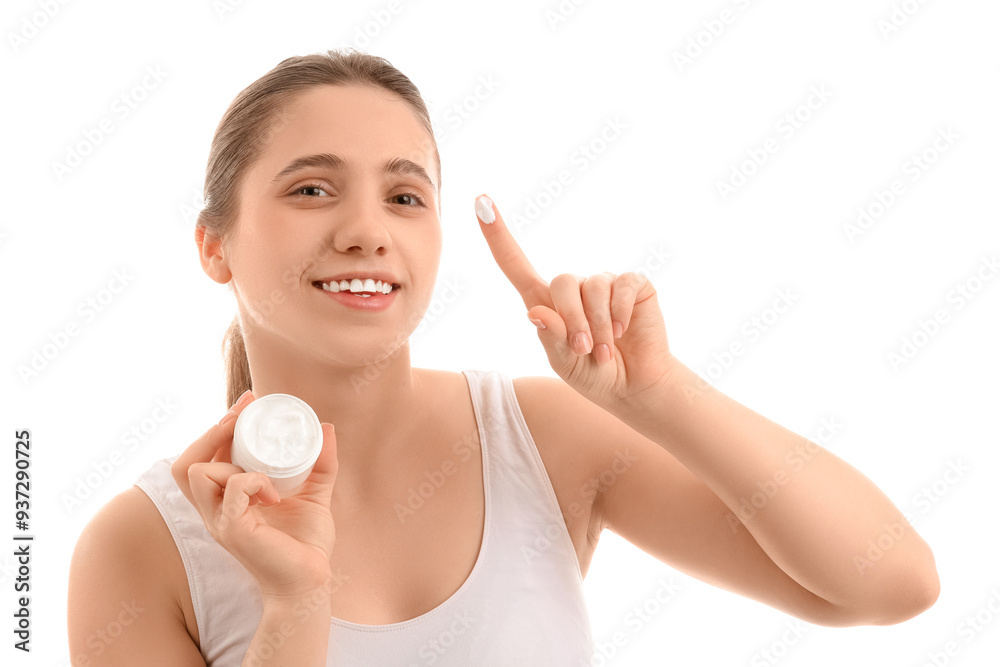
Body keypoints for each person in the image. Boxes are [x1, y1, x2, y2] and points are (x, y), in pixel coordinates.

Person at [67, 48, 940, 666]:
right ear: (214, 245)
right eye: (311, 188)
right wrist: (294, 606)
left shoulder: (541, 433)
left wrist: (660, 394)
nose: (368, 230)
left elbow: (890, 582)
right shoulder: (138, 547)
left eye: (405, 195)